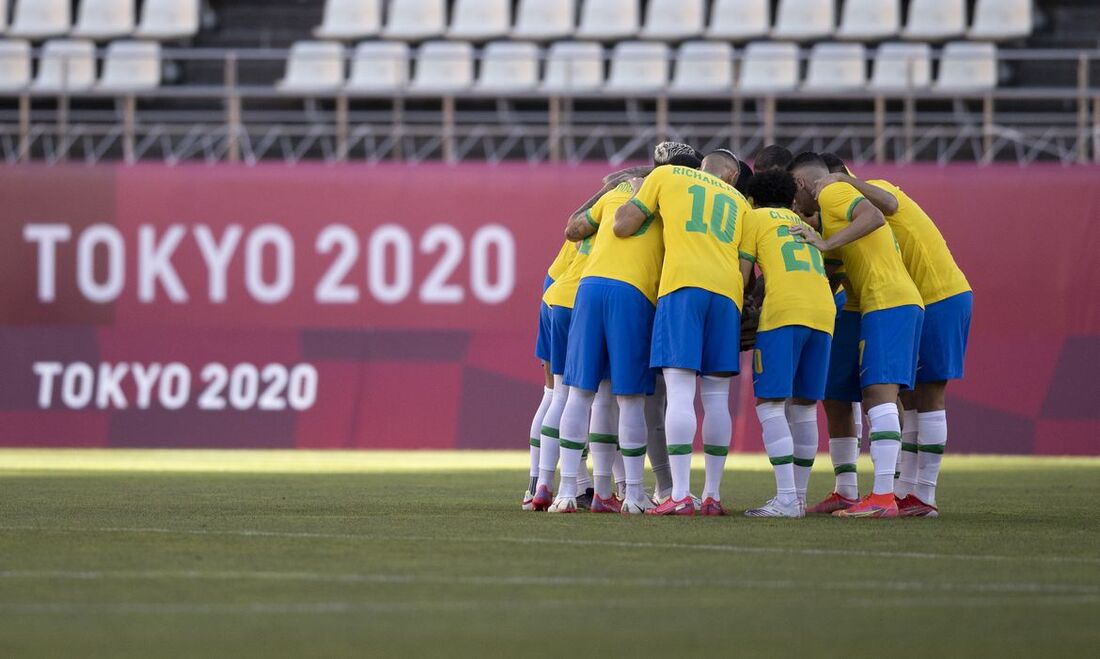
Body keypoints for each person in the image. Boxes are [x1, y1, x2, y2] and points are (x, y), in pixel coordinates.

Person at [549, 149, 705, 514]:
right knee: (630, 398)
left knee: (580, 392)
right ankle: (634, 493)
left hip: (590, 289)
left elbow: (573, 229)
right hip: (633, 294)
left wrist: (613, 188)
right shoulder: (677, 207)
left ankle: (567, 491)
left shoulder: (618, 194)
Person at [818, 156, 972, 516]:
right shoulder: (845, 212)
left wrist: (844, 181)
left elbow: (887, 205)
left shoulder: (875, 189)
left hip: (938, 294)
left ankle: (922, 493)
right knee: (914, 396)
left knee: (928, 393)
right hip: (926, 296)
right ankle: (911, 495)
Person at [788, 152, 924, 519]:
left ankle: (883, 496)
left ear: (802, 184)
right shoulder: (832, 214)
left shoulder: (830, 191)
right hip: (877, 303)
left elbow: (876, 216)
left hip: (889, 300)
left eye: (793, 195)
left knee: (879, 394)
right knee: (855, 392)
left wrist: (825, 244)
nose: (795, 205)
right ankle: (856, 492)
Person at [615, 150, 749, 517]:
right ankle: (713, 496)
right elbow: (745, 265)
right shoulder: (739, 201)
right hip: (727, 295)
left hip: (682, 287)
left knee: (679, 392)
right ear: (732, 176)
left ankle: (680, 494)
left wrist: (637, 194)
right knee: (718, 398)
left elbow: (622, 225)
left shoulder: (668, 176)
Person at [738, 169, 836, 517]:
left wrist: (740, 307)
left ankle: (785, 498)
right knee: (805, 406)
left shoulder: (754, 217)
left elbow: (744, 275)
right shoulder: (799, 221)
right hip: (824, 312)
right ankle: (797, 498)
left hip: (784, 312)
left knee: (770, 403)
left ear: (753, 197)